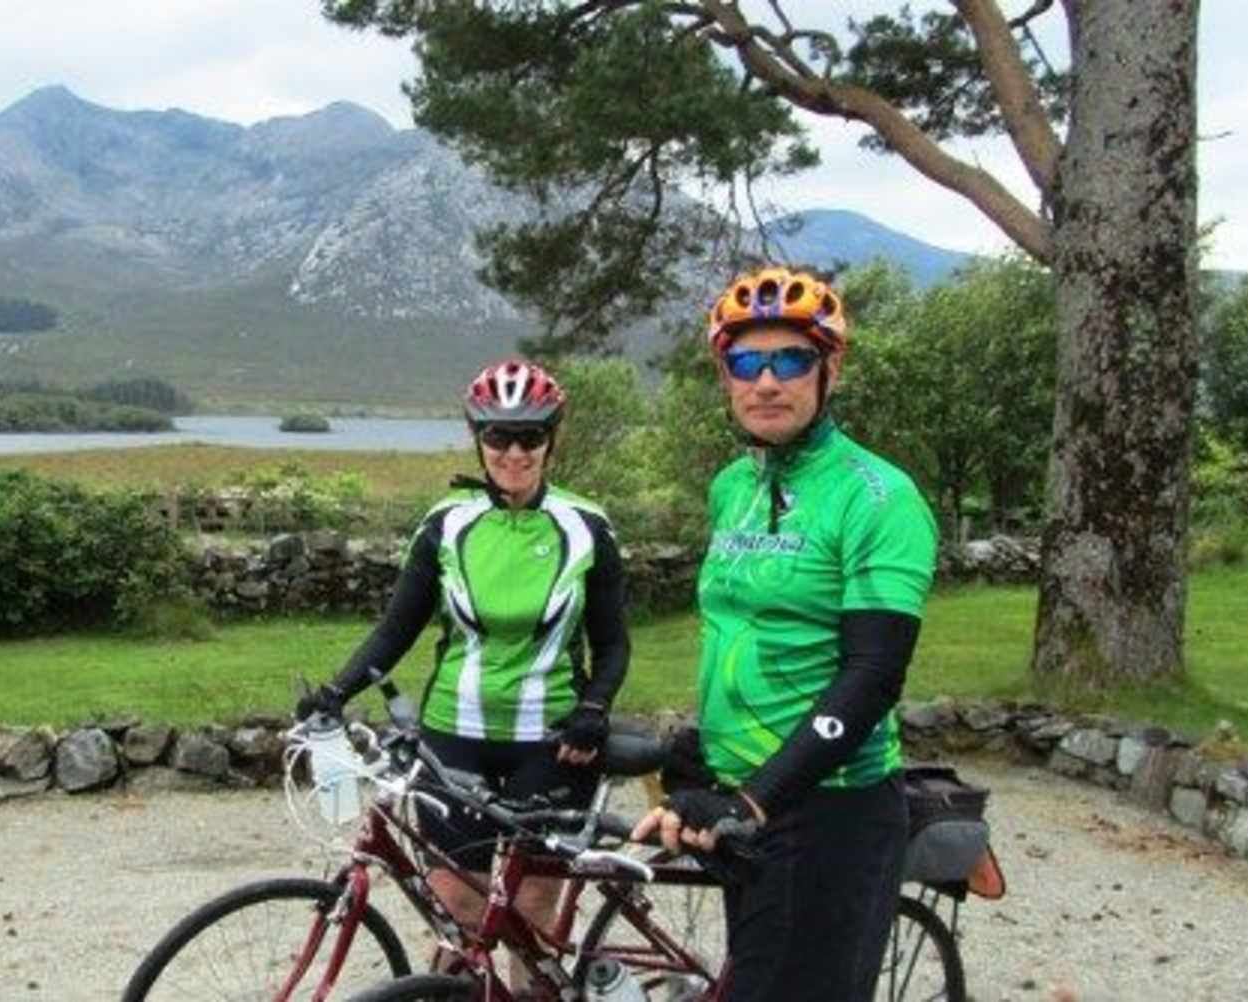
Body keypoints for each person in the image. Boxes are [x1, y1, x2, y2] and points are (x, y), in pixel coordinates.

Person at [630, 266, 938, 1002]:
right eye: (747, 362)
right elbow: (744, 630)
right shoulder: (734, 486)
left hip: (830, 807)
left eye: (791, 360)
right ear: (726, 375)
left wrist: (754, 800)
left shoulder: (879, 497)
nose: (767, 381)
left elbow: (872, 674)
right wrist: (706, 754)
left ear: (830, 368)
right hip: (746, 802)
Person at [296, 358, 630, 974]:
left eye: (530, 436)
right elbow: (399, 626)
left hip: (553, 744)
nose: (513, 451)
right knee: (458, 918)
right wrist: (336, 692)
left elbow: (613, 643)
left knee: (532, 919)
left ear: (552, 438)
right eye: (498, 436)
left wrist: (593, 709)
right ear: (477, 439)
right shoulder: (447, 523)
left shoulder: (586, 527)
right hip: (454, 739)